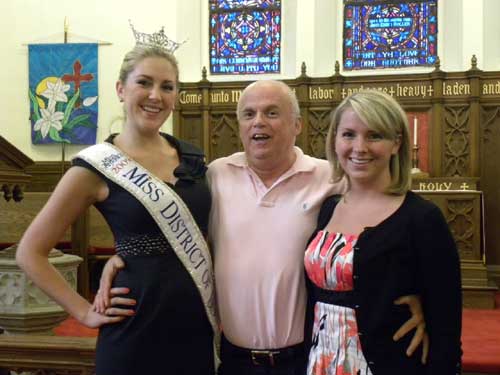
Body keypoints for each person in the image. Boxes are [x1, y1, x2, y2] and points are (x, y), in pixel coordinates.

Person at [96, 80, 428, 375]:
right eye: (249, 114)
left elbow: (389, 226)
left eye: (272, 112)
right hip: (231, 359)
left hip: (305, 358)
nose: (259, 122)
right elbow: (176, 233)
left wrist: (417, 295)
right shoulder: (213, 176)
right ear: (238, 125)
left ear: (297, 124)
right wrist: (124, 259)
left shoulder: (332, 179)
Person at [16, 44, 217, 375]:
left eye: (167, 86)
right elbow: (30, 253)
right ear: (121, 89)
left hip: (195, 328)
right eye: (144, 82)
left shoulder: (194, 160)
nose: (156, 95)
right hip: (134, 330)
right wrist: (83, 312)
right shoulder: (95, 167)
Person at [304, 90, 462, 375]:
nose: (359, 147)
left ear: (396, 143)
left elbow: (446, 324)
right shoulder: (328, 208)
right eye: (348, 134)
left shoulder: (421, 218)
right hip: (321, 358)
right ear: (335, 140)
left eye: (375, 135)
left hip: (387, 361)